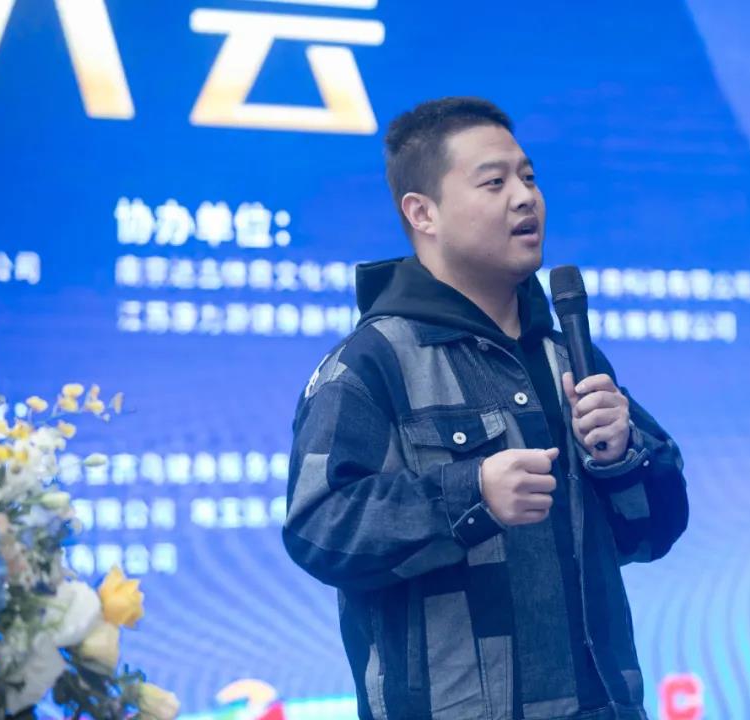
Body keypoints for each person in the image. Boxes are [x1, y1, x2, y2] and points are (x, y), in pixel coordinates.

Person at [283, 97, 689, 720]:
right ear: (422, 213)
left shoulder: (570, 355)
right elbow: (319, 528)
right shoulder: (372, 363)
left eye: (529, 177)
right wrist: (469, 495)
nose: (525, 198)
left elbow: (652, 534)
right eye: (494, 183)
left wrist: (622, 458)